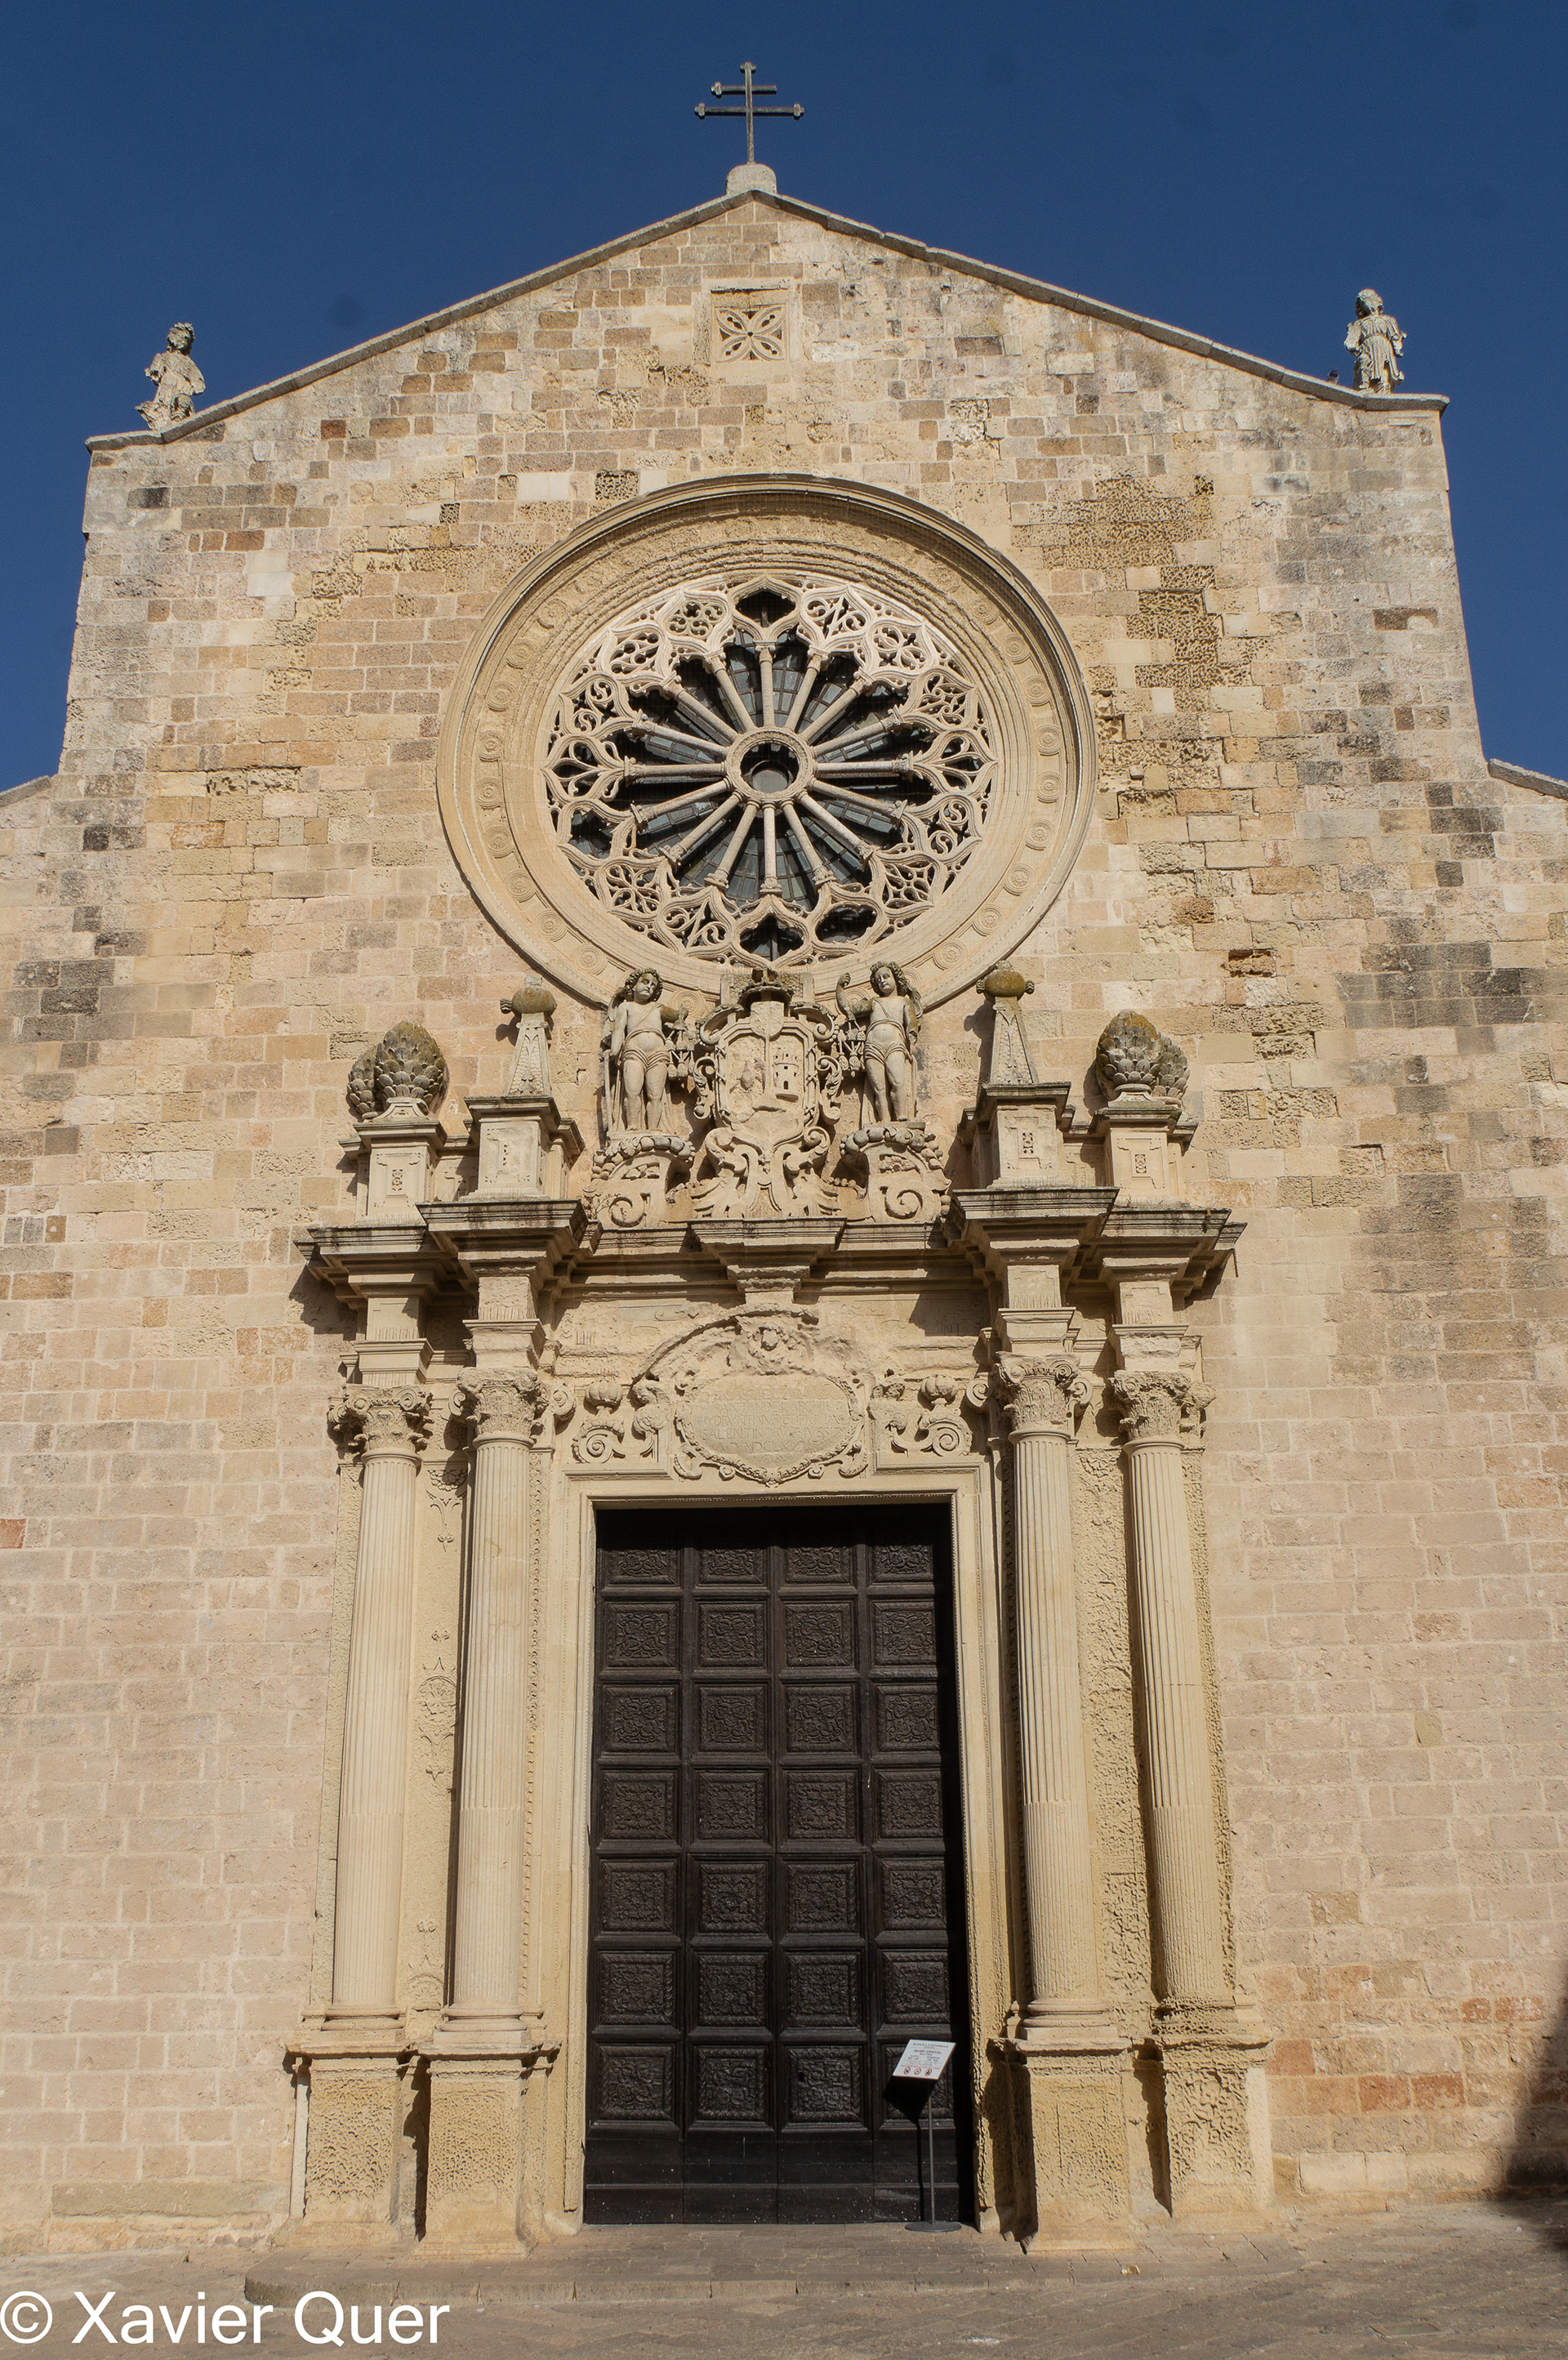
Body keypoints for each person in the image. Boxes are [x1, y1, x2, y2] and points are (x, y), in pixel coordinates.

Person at [837, 961, 921, 1124]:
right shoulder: (874, 1002)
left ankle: (901, 1115)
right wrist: (840, 987)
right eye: (878, 979)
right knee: (879, 1089)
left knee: (897, 1082)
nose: (882, 981)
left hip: (895, 1044)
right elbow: (848, 1009)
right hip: (872, 1046)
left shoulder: (904, 1002)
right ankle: (883, 1120)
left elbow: (912, 1025)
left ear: (896, 979)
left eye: (886, 976)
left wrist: (911, 1043)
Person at [604, 969, 681, 1133]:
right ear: (634, 985)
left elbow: (676, 1015)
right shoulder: (626, 1007)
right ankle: (633, 1125)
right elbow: (618, 1030)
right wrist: (614, 1050)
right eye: (645, 982)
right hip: (634, 1050)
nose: (649, 987)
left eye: (653, 986)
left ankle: (653, 1128)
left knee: (655, 1095)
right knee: (632, 1091)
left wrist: (681, 1015)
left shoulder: (657, 1008)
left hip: (658, 1052)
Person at [137, 324, 205, 430]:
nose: (184, 341)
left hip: (181, 386)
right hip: (167, 384)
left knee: (182, 401)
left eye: (186, 339)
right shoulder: (164, 357)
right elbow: (155, 372)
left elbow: (198, 382)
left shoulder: (189, 363)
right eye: (182, 337)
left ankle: (179, 417)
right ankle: (165, 422)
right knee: (165, 405)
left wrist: (193, 387)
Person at [1343, 291, 1404, 395]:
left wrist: (1397, 347)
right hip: (1367, 347)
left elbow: (1395, 336)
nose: (1366, 303)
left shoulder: (1387, 320)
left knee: (1384, 372)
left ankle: (1383, 389)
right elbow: (1352, 340)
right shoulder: (1360, 323)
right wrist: (1352, 344)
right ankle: (1365, 385)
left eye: (1368, 299)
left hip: (1384, 348)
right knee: (1364, 362)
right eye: (1363, 302)